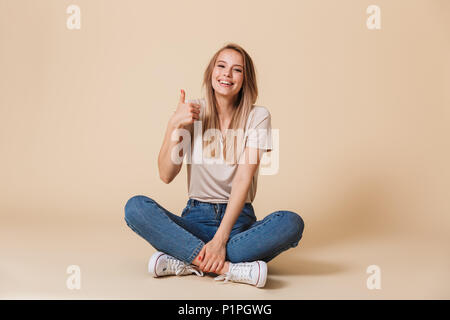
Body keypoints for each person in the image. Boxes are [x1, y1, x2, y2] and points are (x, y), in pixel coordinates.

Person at [124, 43, 304, 288]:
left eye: (237, 70)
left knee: (291, 223)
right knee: (135, 208)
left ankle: (189, 260)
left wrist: (221, 240)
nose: (227, 74)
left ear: (245, 79)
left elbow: (243, 179)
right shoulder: (193, 112)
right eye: (221, 66)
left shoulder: (258, 116)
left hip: (238, 225)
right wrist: (174, 124)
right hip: (195, 220)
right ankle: (232, 268)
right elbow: (166, 174)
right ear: (211, 72)